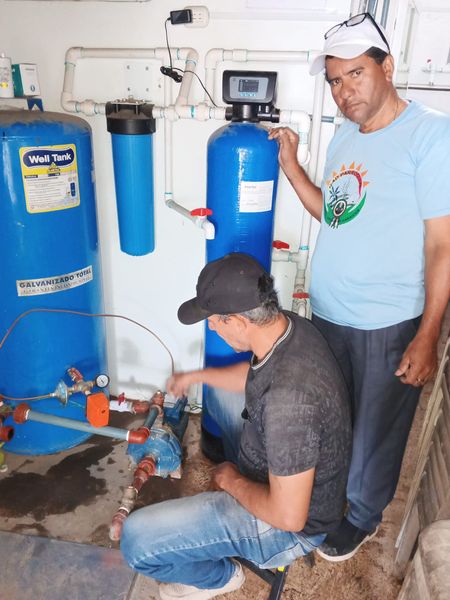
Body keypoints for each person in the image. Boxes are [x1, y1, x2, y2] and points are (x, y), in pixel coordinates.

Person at [269, 12, 450, 562]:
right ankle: (332, 498)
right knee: (336, 419)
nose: (345, 91)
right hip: (329, 313)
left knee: (376, 434)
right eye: (335, 80)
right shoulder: (345, 135)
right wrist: (291, 165)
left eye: (356, 74)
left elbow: (442, 245)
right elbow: (334, 213)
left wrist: (428, 334)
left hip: (387, 320)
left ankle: (363, 516)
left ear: (387, 67)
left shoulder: (431, 134)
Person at [121, 252, 351, 600]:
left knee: (136, 541)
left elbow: (289, 516)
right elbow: (255, 377)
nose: (212, 327)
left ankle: (220, 577)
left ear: (241, 322)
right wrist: (196, 376)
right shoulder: (288, 326)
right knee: (217, 394)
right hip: (281, 459)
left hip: (291, 527)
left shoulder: (290, 401)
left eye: (215, 321)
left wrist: (231, 480)